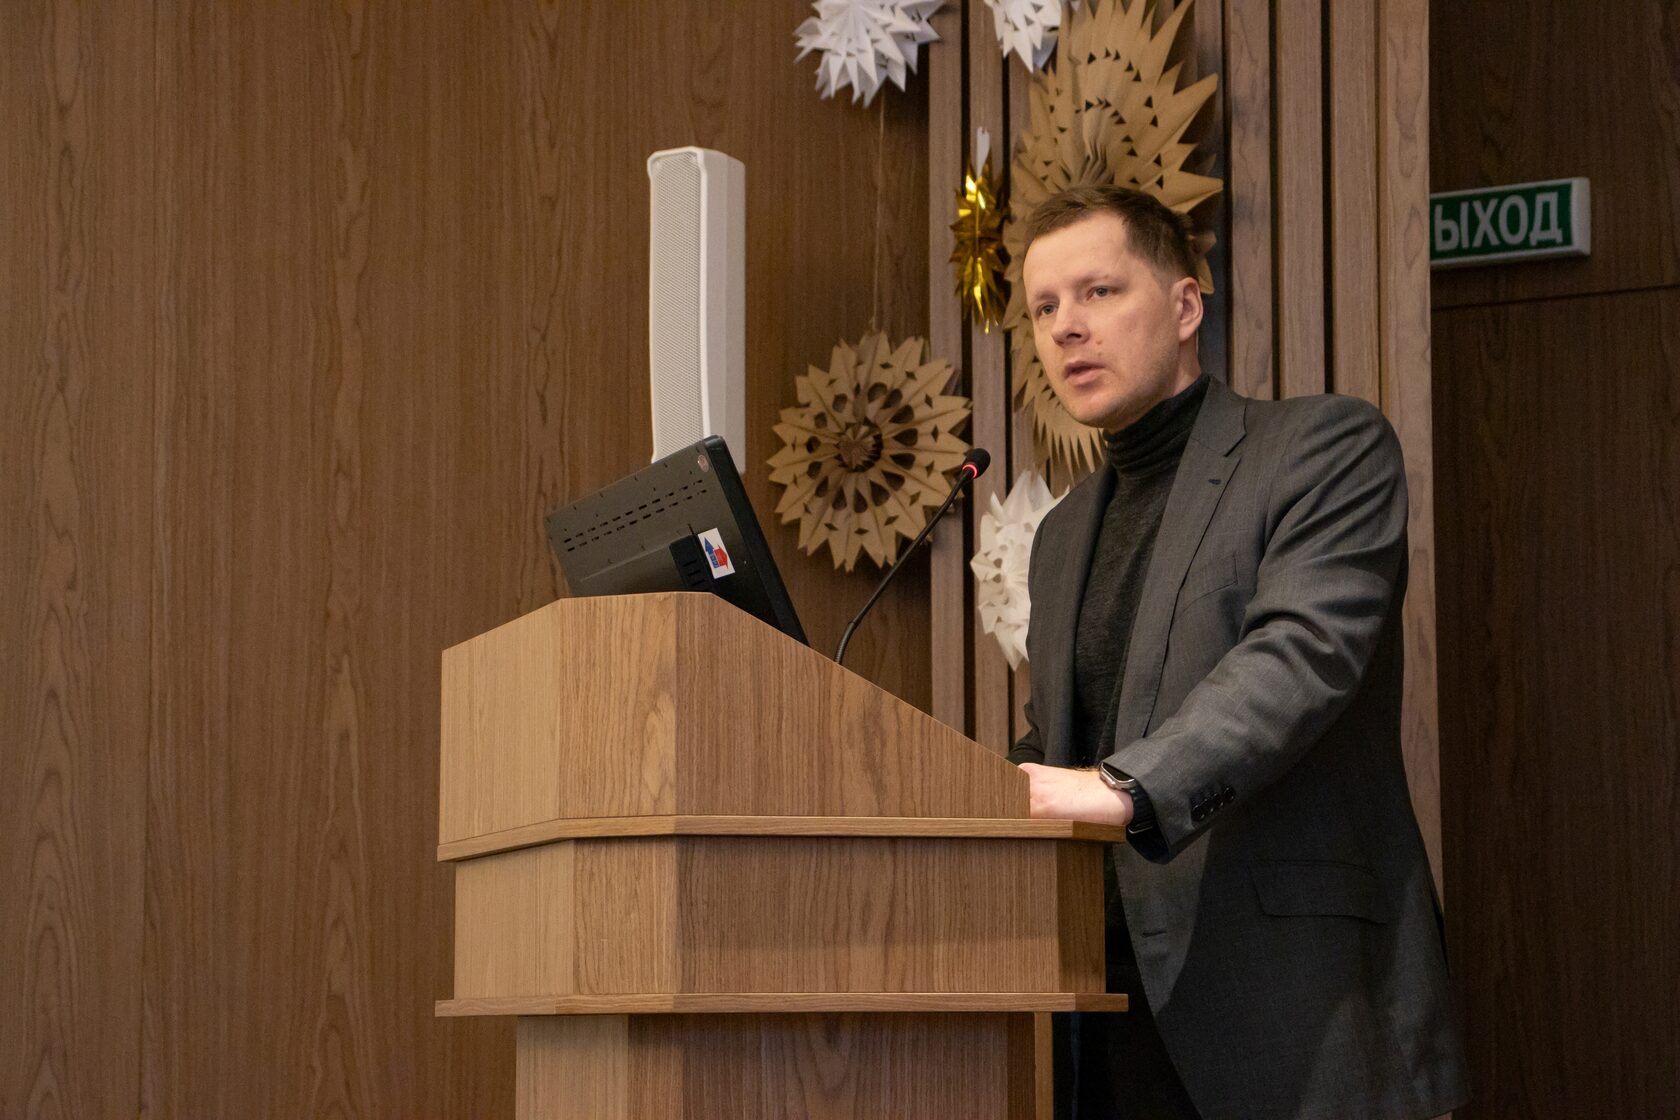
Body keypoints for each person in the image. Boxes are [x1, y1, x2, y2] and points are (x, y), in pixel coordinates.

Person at [1011, 184, 1469, 1120]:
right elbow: (1055, 743)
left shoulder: (1322, 448)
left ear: (1186, 307)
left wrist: (1124, 788)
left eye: (1098, 292)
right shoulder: (1060, 535)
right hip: (1105, 1014)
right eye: (1044, 308)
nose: (1066, 328)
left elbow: (1299, 660)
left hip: (1295, 1005)